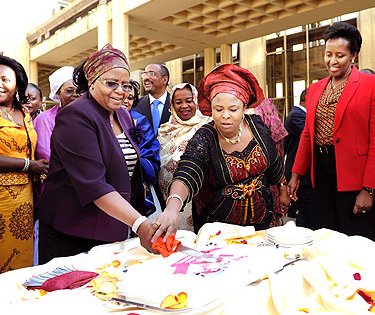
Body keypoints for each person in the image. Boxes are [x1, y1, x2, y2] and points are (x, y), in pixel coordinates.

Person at [38, 44, 156, 264]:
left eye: (125, 85)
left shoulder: (123, 115)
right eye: (111, 83)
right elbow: (93, 184)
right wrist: (139, 223)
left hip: (115, 224)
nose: (121, 91)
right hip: (75, 230)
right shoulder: (76, 116)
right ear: (91, 82)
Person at [149, 64, 290, 239]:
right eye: (218, 109)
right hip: (220, 230)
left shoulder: (256, 126)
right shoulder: (205, 137)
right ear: (210, 108)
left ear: (244, 107)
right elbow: (187, 171)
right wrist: (172, 208)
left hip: (262, 223)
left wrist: (283, 189)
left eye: (233, 109)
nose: (225, 115)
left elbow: (273, 162)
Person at [288, 22, 375, 241]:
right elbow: (308, 134)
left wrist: (370, 189)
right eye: (328, 54)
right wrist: (296, 174)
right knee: (329, 236)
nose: (332, 61)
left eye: (340, 55)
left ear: (353, 55)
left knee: (359, 240)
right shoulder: (316, 88)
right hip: (323, 175)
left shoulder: (373, 84)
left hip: (357, 177)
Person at [0, 55, 49, 296]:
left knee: (22, 263)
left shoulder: (22, 112)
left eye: (5, 79)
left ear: (18, 84)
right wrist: (29, 165)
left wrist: (37, 166)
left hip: (25, 201)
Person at [31, 66, 80, 266]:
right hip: (56, 194)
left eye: (79, 89)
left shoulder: (90, 115)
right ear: (57, 94)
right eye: (69, 90)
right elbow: (47, 155)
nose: (76, 94)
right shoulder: (45, 119)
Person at [157, 83, 211, 230]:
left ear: (196, 101)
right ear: (172, 105)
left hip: (203, 199)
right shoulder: (164, 130)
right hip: (170, 200)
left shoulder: (208, 126)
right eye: (178, 102)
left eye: (188, 100)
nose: (184, 106)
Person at [121, 79, 162, 218]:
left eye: (130, 98)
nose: (126, 101)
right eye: (123, 96)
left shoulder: (139, 121)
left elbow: (149, 153)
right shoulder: (101, 119)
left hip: (139, 185)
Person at [284, 89, 316, 229]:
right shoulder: (296, 115)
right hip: (301, 175)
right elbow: (313, 135)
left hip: (306, 175)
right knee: (307, 214)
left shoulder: (301, 114)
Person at [133, 63, 171, 133]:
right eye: (144, 74)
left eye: (151, 74)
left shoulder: (175, 104)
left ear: (165, 79)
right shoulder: (135, 105)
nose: (145, 78)